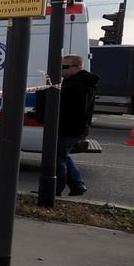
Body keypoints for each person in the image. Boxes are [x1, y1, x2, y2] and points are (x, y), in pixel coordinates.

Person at [50, 54, 99, 197]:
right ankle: (77, 186)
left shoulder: (79, 85)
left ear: (78, 67)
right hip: (74, 128)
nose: (61, 70)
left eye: (64, 67)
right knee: (63, 156)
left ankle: (54, 191)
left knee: (57, 159)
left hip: (70, 128)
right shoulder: (75, 81)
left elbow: (73, 109)